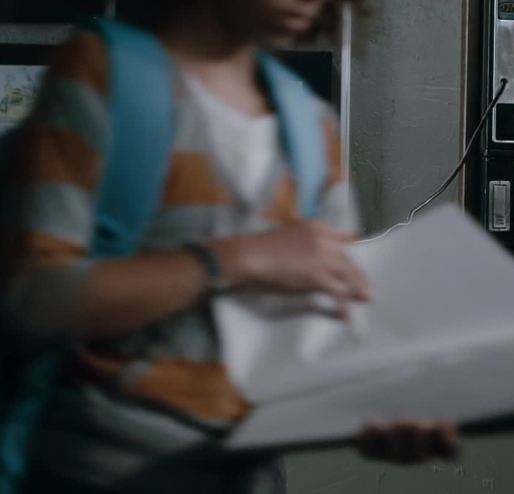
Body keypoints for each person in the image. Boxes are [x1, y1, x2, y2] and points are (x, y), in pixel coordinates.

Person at [0, 0, 459, 492]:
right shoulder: (102, 73)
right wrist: (240, 259)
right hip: (97, 472)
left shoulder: (312, 126)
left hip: (251, 476)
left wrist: (378, 409)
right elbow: (31, 301)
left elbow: (322, 336)